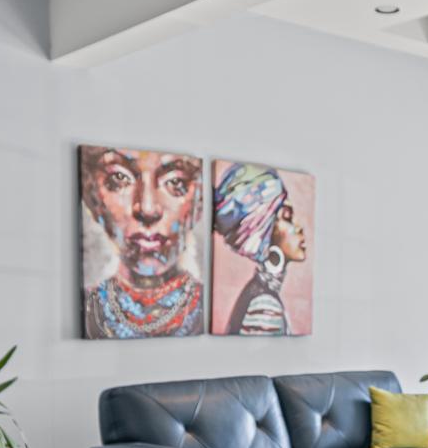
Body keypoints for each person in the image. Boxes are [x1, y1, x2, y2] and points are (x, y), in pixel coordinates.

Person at [78, 145, 204, 339]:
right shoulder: (88, 308)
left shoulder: (221, 312)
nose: (147, 209)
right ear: (93, 198)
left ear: (199, 203)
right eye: (119, 178)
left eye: (176, 181)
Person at [212, 162, 308, 335]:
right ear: (264, 228)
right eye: (287, 216)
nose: (299, 227)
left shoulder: (259, 293)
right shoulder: (265, 306)